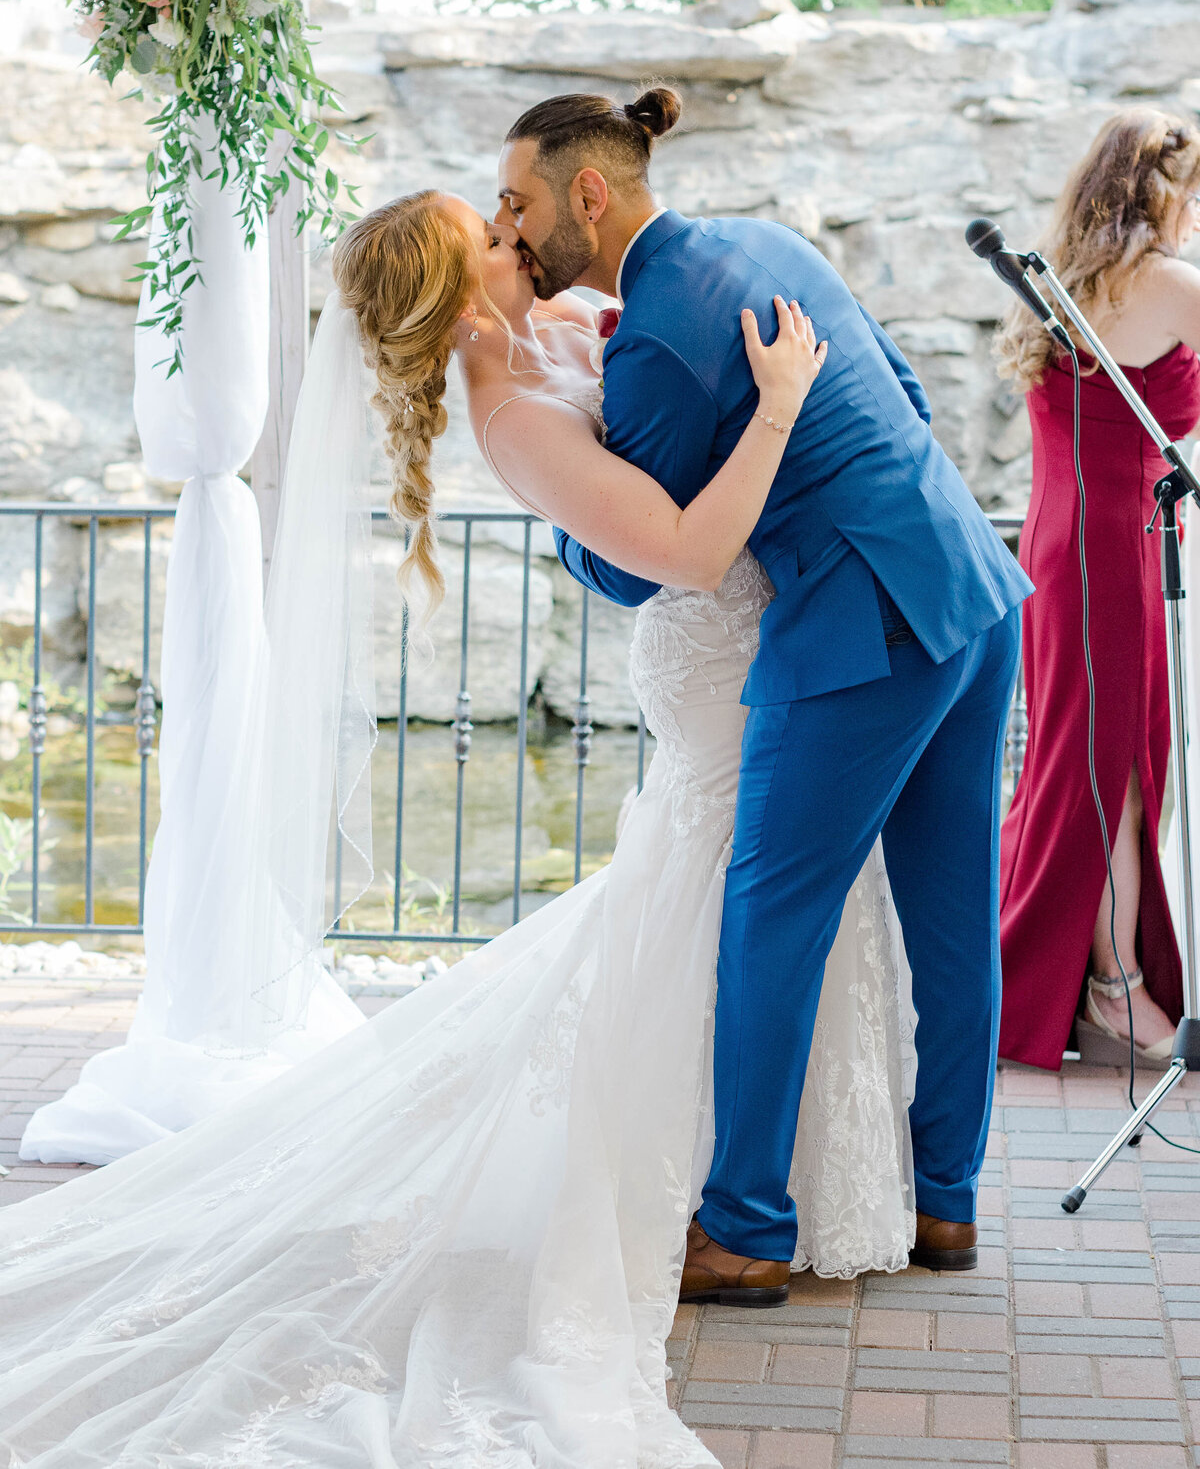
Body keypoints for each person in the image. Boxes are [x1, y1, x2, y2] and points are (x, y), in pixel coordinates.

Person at [0, 121, 917, 1468]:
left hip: (758, 641)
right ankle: (724, 1195)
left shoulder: (556, 326)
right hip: (719, 655)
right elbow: (679, 546)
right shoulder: (510, 407)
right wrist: (780, 404)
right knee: (710, 909)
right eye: (493, 233)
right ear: (460, 285)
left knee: (720, 909)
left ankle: (771, 1184)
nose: (518, 234)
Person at [497, 85, 1030, 1297]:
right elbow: (911, 394)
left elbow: (647, 564)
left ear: (591, 190)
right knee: (953, 917)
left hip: (863, 628)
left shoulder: (656, 344)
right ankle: (946, 1206)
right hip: (970, 587)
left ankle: (741, 1227)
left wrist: (564, 528)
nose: (513, 227)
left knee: (770, 910)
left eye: (521, 202)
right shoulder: (771, 243)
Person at [996, 111, 1200, 1072]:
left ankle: (1089, 970)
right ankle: (1114, 987)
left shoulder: (1064, 280)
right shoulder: (1168, 284)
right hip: (1114, 550)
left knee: (1089, 757)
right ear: (1160, 192)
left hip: (1060, 542)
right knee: (1113, 766)